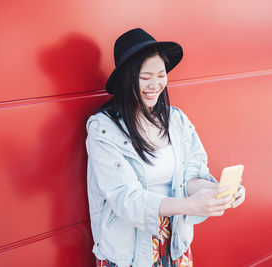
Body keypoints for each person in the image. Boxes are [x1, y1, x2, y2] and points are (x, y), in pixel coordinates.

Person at [85, 28, 246, 267]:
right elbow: (126, 199)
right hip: (127, 254)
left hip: (175, 245)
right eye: (145, 77)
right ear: (128, 78)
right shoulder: (103, 130)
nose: (155, 84)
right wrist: (191, 205)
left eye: (161, 75)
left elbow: (190, 175)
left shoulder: (177, 121)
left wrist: (217, 190)